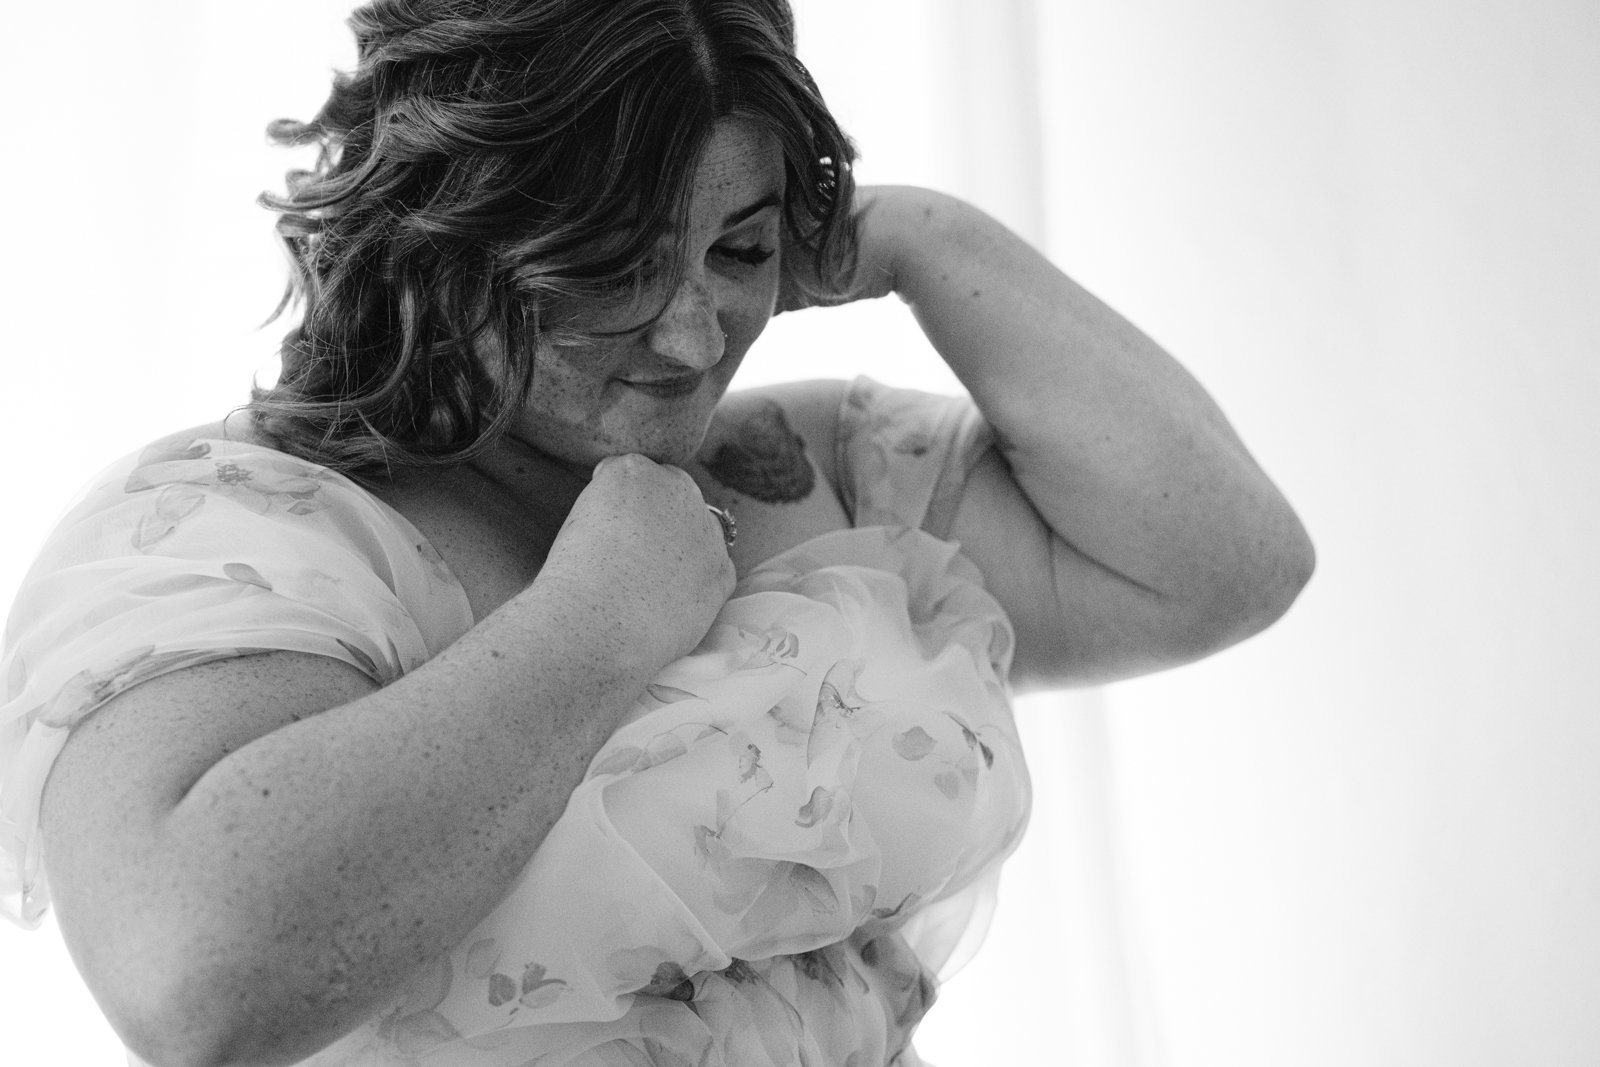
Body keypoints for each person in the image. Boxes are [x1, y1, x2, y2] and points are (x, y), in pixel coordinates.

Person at [0, 1, 1314, 1064]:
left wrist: (919, 235)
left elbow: (1225, 568)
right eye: (617, 263)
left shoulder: (808, 467)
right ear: (448, 234)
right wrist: (594, 629)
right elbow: (201, 986)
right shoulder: (238, 535)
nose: (694, 339)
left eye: (738, 252)